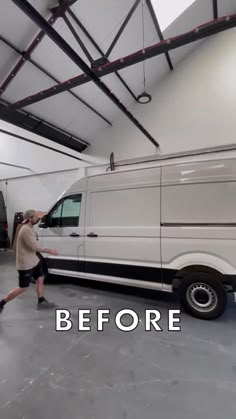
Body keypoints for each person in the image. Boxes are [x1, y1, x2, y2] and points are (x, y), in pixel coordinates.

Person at [0, 209, 58, 314]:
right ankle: (1, 303)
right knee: (23, 288)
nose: (37, 219)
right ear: (30, 219)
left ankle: (41, 301)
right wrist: (50, 250)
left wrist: (41, 214)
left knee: (40, 278)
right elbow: (34, 246)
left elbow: (35, 238)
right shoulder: (25, 230)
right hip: (25, 263)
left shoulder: (30, 228)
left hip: (34, 260)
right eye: (35, 217)